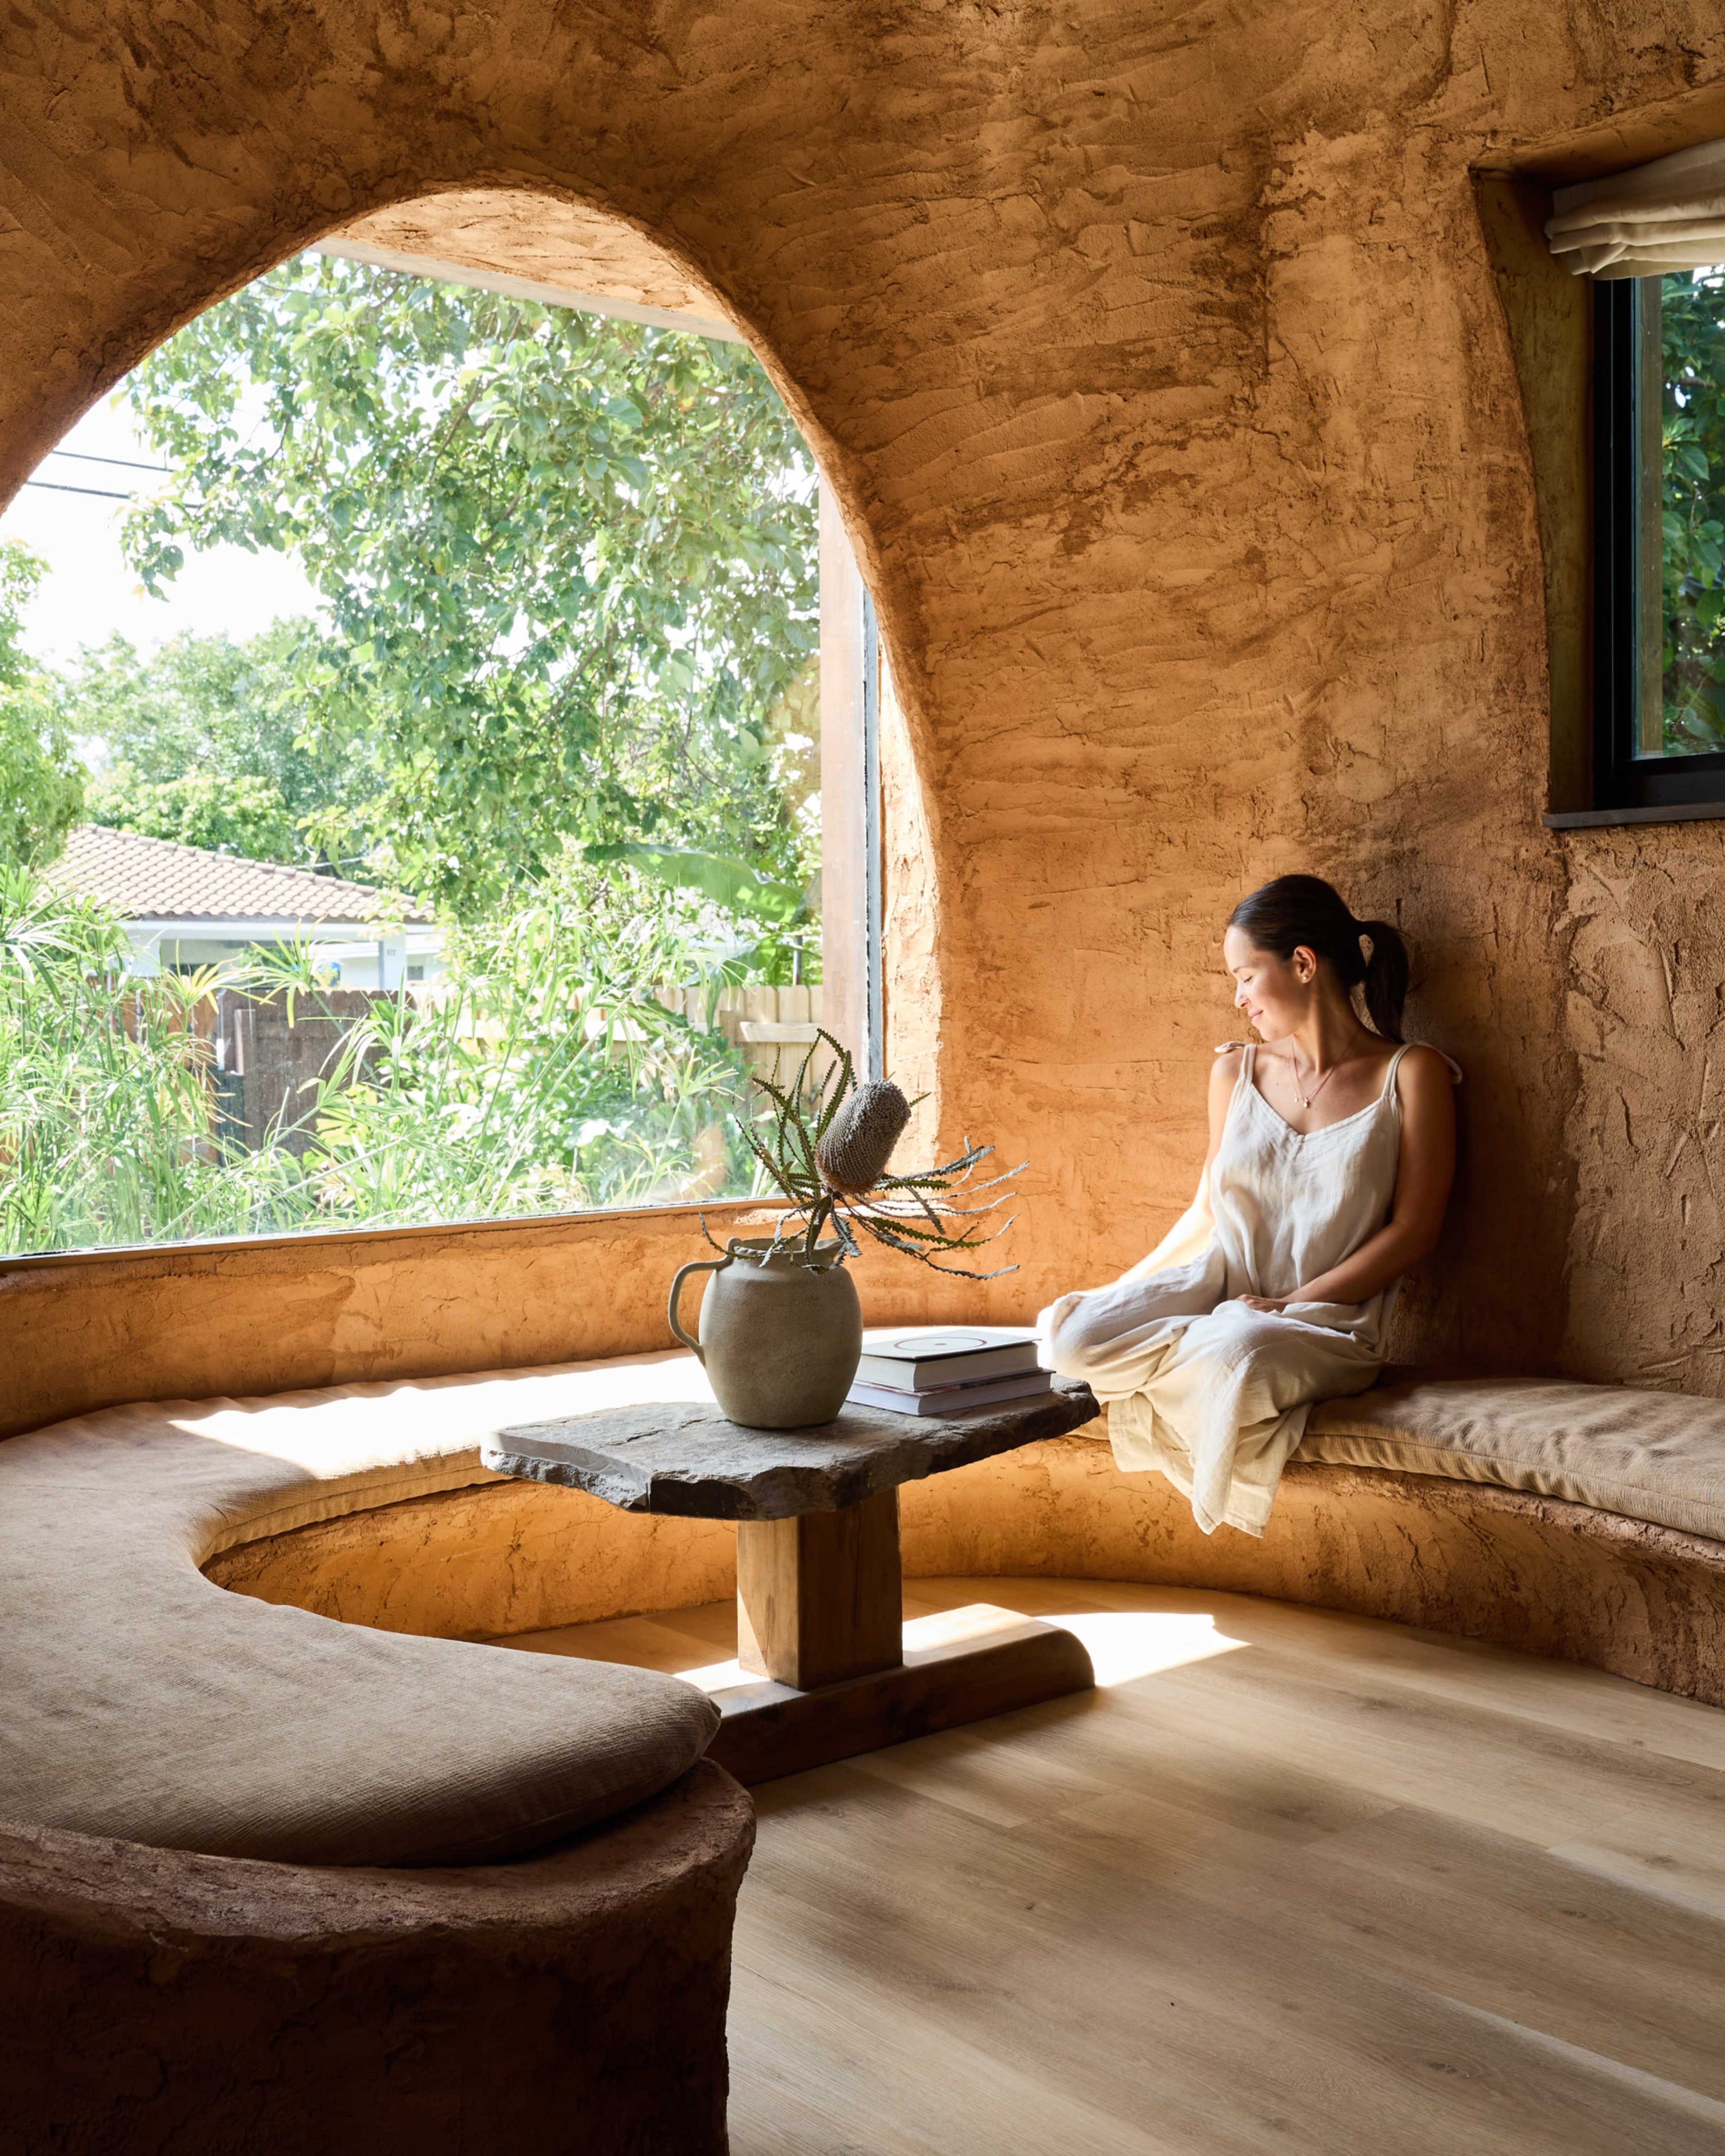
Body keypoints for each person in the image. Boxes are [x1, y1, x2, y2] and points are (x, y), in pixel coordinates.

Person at [1037, 874, 1458, 1537]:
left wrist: (1287, 1306)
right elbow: (1209, 1205)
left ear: (1302, 964)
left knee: (1242, 1352)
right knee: (1072, 1336)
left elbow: (1415, 1232)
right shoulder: (1234, 1071)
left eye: (1244, 976)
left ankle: (1213, 1355)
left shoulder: (1411, 1074)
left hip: (1325, 1321)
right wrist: (1145, 1293)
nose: (1237, 1000)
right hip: (1223, 1289)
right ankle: (1205, 1355)